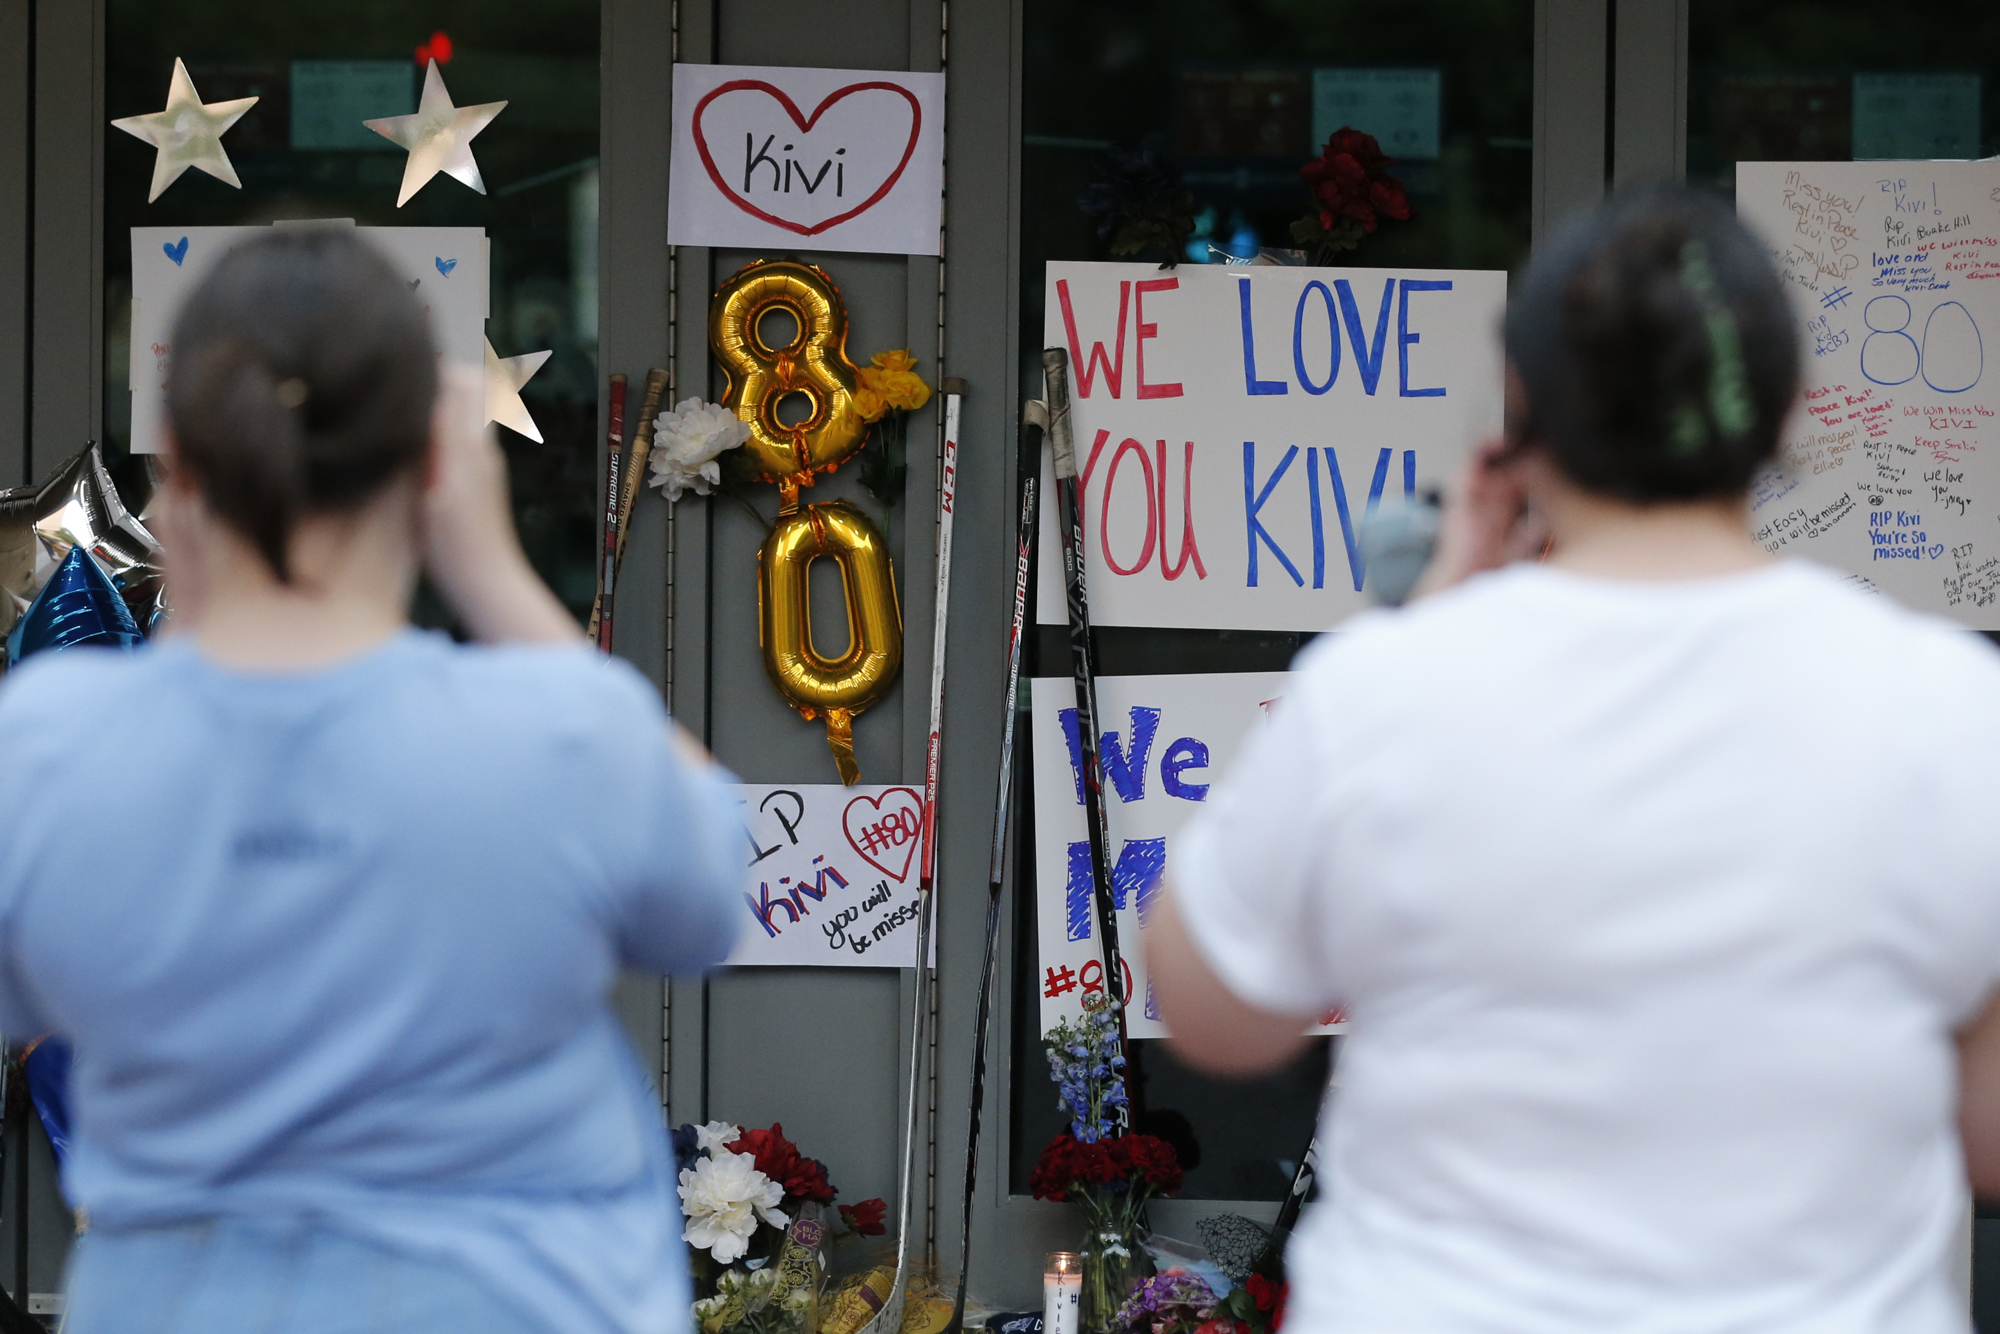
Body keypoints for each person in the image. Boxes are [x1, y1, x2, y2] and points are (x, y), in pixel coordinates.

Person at [1147, 185, 2000, 1334]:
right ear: (1787, 408)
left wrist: (1416, 623)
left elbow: (1214, 1014)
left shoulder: (1385, 688)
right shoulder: (1947, 706)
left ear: (1517, 405)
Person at [0, 229, 740, 1334]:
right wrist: (491, 570)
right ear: (436, 465)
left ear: (177, 470)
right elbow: (712, 888)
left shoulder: (54, 745)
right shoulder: (550, 733)